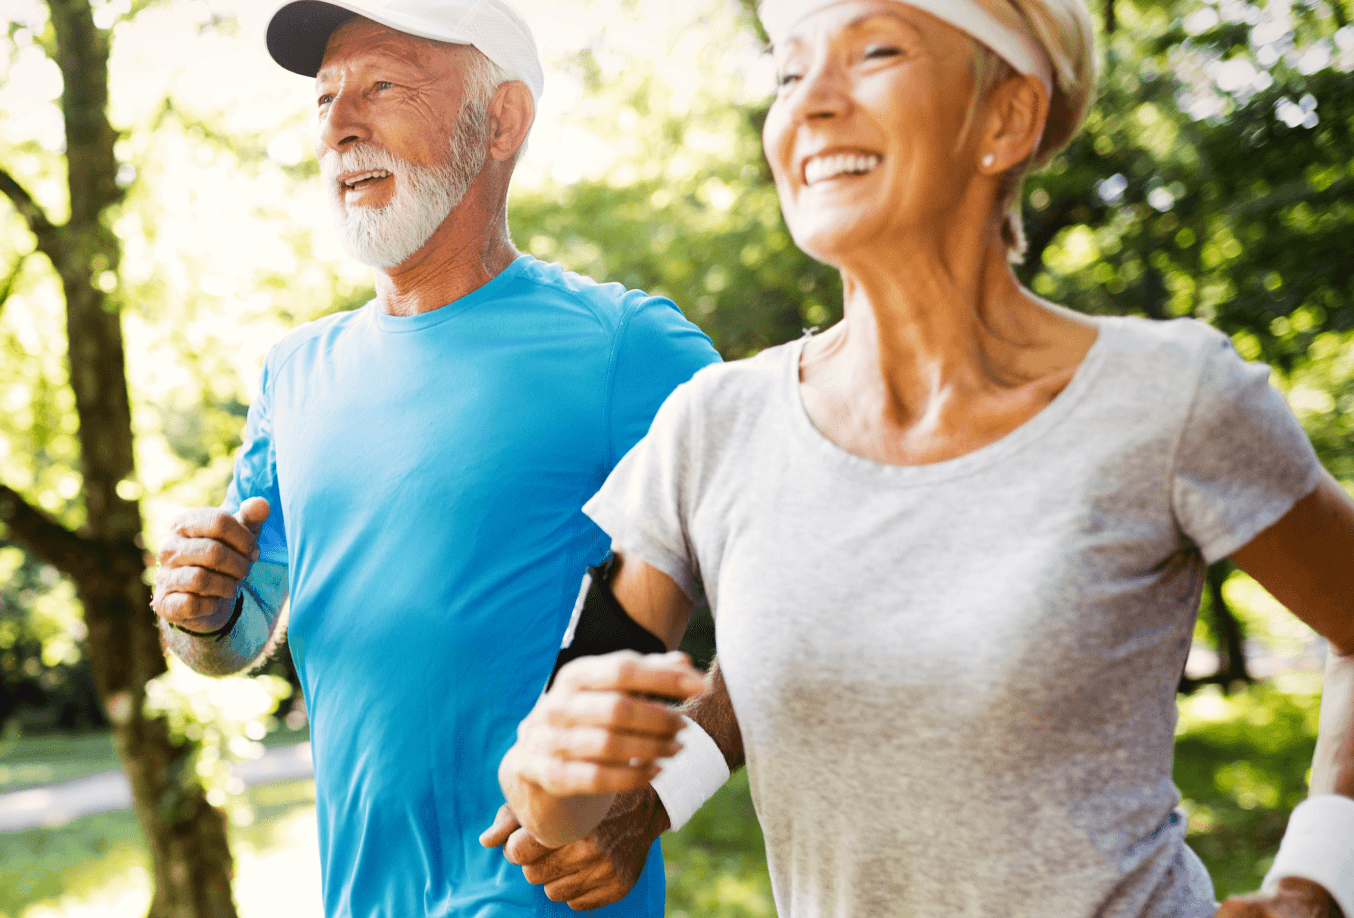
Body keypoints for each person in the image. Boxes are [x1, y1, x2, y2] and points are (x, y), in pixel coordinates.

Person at [498, 1, 1354, 917]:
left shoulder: (1169, 396)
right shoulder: (713, 426)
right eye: (790, 73)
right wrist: (548, 777)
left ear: (1007, 117)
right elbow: (566, 780)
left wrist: (1320, 879)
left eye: (874, 51)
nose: (812, 102)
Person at [148, 0, 722, 914]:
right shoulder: (294, 371)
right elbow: (236, 631)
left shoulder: (630, 348)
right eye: (326, 97)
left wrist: (656, 797)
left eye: (382, 85)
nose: (338, 126)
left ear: (502, 121)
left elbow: (801, 602)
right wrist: (200, 611)